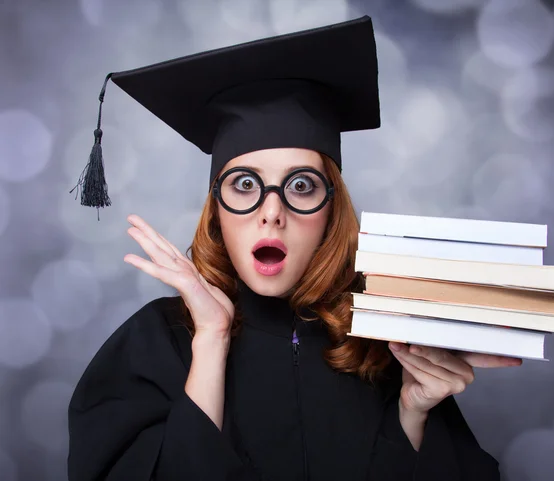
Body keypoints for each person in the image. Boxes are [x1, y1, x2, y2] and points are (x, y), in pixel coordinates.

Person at [67, 16, 521, 481]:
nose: (271, 212)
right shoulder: (155, 342)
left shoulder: (383, 346)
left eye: (301, 185)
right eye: (245, 184)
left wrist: (412, 414)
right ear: (216, 210)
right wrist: (211, 340)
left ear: (331, 210)